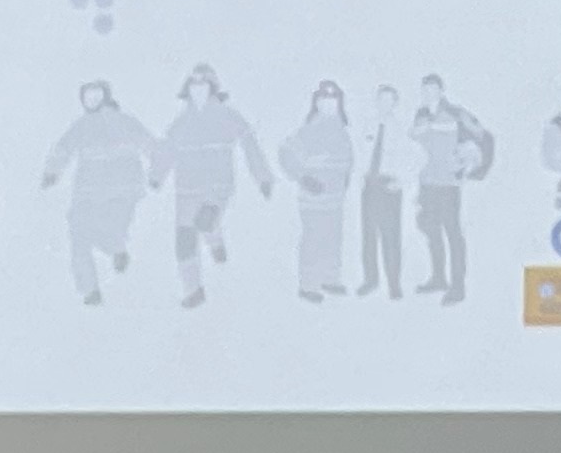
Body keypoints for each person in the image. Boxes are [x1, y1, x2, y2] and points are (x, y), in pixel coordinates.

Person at [40, 78, 163, 306]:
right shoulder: (91, 126)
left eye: (96, 96)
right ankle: (98, 276)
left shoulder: (114, 124)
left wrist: (157, 175)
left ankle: (107, 264)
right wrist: (52, 172)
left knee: (92, 233)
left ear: (106, 96)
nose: (93, 101)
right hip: (103, 193)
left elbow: (152, 147)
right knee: (87, 233)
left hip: (110, 193)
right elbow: (63, 149)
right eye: (88, 97)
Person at [161, 64, 273, 308]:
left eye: (203, 85)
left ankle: (215, 241)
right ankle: (193, 290)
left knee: (205, 220)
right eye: (193, 85)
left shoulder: (228, 116)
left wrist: (263, 177)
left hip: (217, 186)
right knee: (184, 239)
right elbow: (166, 151)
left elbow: (250, 146)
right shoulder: (181, 122)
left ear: (212, 88)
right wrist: (156, 175)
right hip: (186, 189)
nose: (198, 90)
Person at [410, 74, 495, 302]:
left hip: (448, 185)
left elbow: (484, 137)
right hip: (427, 184)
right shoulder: (420, 115)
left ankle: (458, 287)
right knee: (431, 229)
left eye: (433, 89)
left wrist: (471, 168)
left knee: (452, 233)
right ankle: (438, 278)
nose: (428, 94)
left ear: (441, 91)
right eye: (425, 90)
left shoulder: (457, 114)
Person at [281, 81, 354, 302]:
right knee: (313, 239)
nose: (329, 104)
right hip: (313, 199)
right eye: (324, 100)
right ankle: (308, 284)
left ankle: (329, 278)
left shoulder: (342, 132)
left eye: (333, 100)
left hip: (335, 200)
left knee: (332, 238)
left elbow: (347, 162)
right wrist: (303, 178)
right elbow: (285, 155)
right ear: (317, 103)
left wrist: (344, 182)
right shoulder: (307, 132)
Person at [356, 83, 407, 302]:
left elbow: (409, 158)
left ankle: (394, 284)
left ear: (395, 104)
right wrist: (361, 177)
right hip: (370, 186)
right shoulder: (368, 126)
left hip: (389, 187)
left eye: (389, 100)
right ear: (377, 102)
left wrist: (401, 180)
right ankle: (370, 280)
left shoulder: (401, 129)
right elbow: (360, 153)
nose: (385, 104)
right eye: (381, 100)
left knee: (391, 236)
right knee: (369, 235)